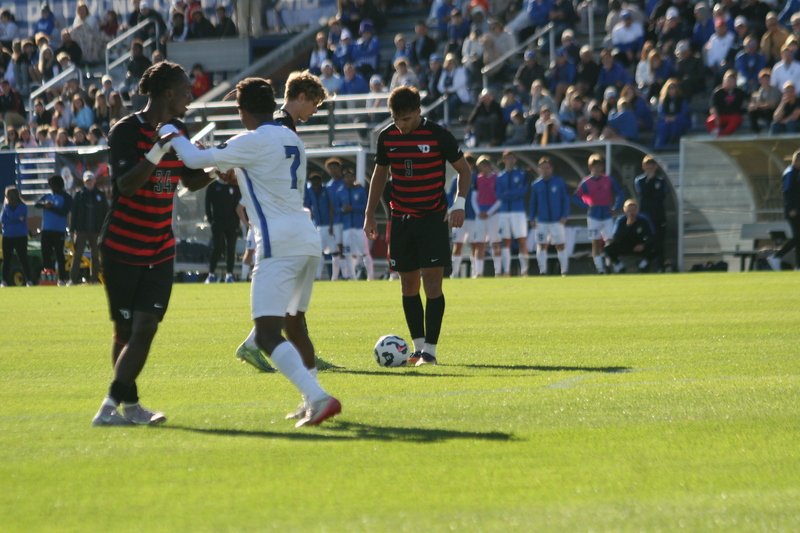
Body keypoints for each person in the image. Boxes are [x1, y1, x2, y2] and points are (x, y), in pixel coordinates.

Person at [171, 77, 342, 427]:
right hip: (307, 238)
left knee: (265, 335)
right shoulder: (290, 137)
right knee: (295, 328)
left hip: (277, 243)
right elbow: (260, 174)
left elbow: (190, 159)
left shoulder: (251, 139)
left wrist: (170, 133)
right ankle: (312, 398)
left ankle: (319, 397)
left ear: (242, 110)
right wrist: (236, 176)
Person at [91, 61, 217, 427]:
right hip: (122, 247)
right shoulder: (125, 131)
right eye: (185, 92)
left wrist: (215, 173)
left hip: (160, 247)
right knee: (126, 331)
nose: (190, 98)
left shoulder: (179, 131)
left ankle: (111, 408)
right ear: (168, 93)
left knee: (146, 328)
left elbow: (189, 180)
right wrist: (158, 151)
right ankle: (126, 408)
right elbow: (126, 185)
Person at [364, 86, 472, 366]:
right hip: (400, 220)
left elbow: (464, 170)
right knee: (408, 285)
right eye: (396, 119)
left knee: (432, 284)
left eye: (407, 119)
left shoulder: (438, 135)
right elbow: (379, 175)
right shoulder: (387, 137)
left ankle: (431, 353)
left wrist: (459, 203)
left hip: (432, 219)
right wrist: (369, 213)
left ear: (419, 112)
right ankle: (417, 349)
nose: (401, 125)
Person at [572, 154, 624, 273]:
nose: (596, 168)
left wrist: (616, 207)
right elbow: (575, 198)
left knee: (610, 241)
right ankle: (600, 268)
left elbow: (620, 192)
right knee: (595, 242)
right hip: (594, 216)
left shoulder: (608, 179)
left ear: (602, 167)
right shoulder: (586, 182)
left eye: (599, 166)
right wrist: (587, 206)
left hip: (606, 215)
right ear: (590, 167)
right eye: (594, 166)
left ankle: (612, 265)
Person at [529, 157, 570, 276]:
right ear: (539, 169)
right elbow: (533, 203)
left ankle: (564, 271)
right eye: (543, 168)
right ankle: (542, 271)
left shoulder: (559, 182)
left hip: (557, 221)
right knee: (541, 245)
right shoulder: (536, 185)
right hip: (542, 221)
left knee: (560, 245)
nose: (545, 170)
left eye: (547, 168)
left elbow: (565, 200)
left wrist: (564, 215)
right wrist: (532, 218)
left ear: (551, 169)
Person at [69, 171, 107, 285]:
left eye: (90, 181)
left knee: (95, 255)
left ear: (94, 181)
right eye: (87, 181)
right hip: (81, 230)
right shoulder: (79, 195)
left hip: (96, 230)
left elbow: (106, 213)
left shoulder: (100, 195)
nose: (89, 183)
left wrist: (105, 230)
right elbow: (73, 213)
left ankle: (94, 279)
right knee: (77, 255)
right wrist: (72, 230)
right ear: (84, 182)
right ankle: (73, 279)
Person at [495, 151, 529, 276]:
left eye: (511, 158)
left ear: (515, 160)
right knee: (505, 241)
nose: (509, 160)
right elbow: (498, 194)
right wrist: (513, 194)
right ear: (504, 160)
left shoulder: (522, 174)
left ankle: (525, 270)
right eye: (507, 158)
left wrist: (507, 194)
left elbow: (523, 191)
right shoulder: (499, 177)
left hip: (518, 212)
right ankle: (507, 271)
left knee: (521, 240)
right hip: (504, 213)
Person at [34, 174, 72, 285]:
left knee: (59, 254)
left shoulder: (66, 197)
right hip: (46, 229)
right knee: (45, 254)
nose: (51, 188)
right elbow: (36, 204)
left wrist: (51, 208)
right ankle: (48, 277)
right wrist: (44, 205)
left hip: (59, 230)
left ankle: (62, 279)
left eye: (53, 185)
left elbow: (64, 212)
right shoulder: (47, 196)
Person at [337, 168, 373, 280]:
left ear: (354, 178)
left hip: (359, 226)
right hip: (347, 226)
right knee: (347, 252)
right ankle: (352, 277)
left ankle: (370, 277)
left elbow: (366, 206)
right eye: (347, 176)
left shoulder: (360, 190)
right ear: (343, 179)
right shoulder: (340, 192)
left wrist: (352, 208)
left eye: (351, 176)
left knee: (364, 252)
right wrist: (343, 209)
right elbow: (336, 208)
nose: (349, 178)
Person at [204, 174, 241, 284]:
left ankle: (229, 275)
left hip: (232, 223)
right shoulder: (213, 187)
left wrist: (238, 222)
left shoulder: (234, 187)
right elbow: (207, 204)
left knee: (231, 249)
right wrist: (211, 221)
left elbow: (238, 205)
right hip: (218, 223)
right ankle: (211, 274)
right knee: (217, 248)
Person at [634, 156, 668, 271]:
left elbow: (661, 196)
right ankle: (644, 266)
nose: (649, 170)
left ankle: (660, 267)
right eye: (647, 168)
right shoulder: (639, 180)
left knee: (659, 241)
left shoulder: (661, 180)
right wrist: (650, 181)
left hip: (658, 215)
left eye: (651, 168)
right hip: (645, 217)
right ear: (643, 168)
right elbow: (643, 194)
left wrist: (653, 182)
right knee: (645, 241)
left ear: (656, 167)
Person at [604, 199, 656, 273]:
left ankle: (642, 266)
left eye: (633, 210)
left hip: (638, 245)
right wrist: (627, 226)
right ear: (625, 211)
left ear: (637, 210)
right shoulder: (621, 220)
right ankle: (619, 267)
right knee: (607, 249)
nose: (632, 213)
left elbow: (652, 236)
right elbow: (616, 237)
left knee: (657, 247)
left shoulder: (643, 220)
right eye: (629, 210)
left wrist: (643, 245)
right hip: (624, 246)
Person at [768, 149, 800, 270]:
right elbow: (787, 192)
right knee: (798, 238)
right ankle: (776, 257)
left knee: (798, 238)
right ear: (797, 161)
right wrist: (791, 208)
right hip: (793, 212)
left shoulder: (795, 172)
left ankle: (798, 266)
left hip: (796, 210)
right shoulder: (790, 173)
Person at [472, 155, 502, 277]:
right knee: (480, 243)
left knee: (495, 243)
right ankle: (479, 272)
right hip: (480, 215)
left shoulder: (497, 178)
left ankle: (498, 271)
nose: (480, 170)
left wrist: (489, 212)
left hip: (493, 215)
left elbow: (500, 198)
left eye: (481, 167)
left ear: (487, 166)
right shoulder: (477, 179)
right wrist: (478, 212)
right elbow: (474, 198)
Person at [448, 153, 477, 278]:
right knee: (457, 244)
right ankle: (455, 273)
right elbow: (450, 195)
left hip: (474, 217)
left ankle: (476, 272)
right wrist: (452, 209)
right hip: (460, 217)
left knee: (474, 244)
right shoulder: (456, 178)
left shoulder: (477, 178)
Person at [303, 173, 334, 280]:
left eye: (317, 181)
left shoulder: (327, 190)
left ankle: (334, 275)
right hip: (318, 225)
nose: (315, 184)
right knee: (318, 251)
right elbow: (307, 207)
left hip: (329, 225)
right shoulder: (310, 191)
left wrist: (331, 224)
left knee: (333, 252)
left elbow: (331, 207)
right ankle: (317, 275)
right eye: (313, 181)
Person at [1, 186, 32, 287]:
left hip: (20, 236)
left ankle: (29, 280)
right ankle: (4, 281)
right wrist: (14, 218)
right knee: (7, 259)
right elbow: (3, 220)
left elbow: (12, 217)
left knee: (23, 258)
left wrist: (10, 214)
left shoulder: (22, 206)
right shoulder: (5, 207)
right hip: (7, 236)